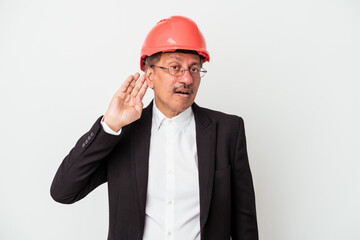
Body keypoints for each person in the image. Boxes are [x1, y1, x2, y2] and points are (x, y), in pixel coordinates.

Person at [51, 16, 258, 240]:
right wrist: (109, 126)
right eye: (175, 67)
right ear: (150, 75)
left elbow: (244, 222)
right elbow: (63, 191)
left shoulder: (228, 130)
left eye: (194, 69)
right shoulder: (123, 133)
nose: (187, 79)